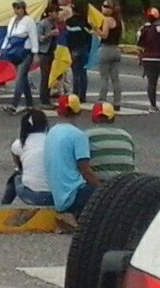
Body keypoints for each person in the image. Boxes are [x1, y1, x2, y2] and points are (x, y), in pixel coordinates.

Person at [44, 94, 101, 231]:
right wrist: (101, 189)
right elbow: (85, 170)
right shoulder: (78, 135)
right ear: (79, 112)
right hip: (73, 193)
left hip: (57, 195)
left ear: (58, 111)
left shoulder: (51, 132)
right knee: (105, 197)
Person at [1, 109, 54, 207]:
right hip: (54, 196)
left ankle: (4, 204)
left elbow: (19, 166)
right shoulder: (52, 140)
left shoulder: (19, 144)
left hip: (32, 195)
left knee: (16, 176)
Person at [1, 0, 41, 114]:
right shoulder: (12, 20)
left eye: (19, 8)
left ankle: (14, 104)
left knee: (19, 77)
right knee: (23, 78)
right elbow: (8, 36)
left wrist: (35, 53)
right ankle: (30, 103)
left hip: (26, 52)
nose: (17, 10)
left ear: (24, 9)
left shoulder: (29, 21)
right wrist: (3, 48)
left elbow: (33, 37)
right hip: (14, 52)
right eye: (15, 8)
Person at [137, 8, 160, 113]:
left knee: (151, 82)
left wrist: (140, 58)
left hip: (147, 57)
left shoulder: (143, 28)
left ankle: (152, 106)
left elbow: (139, 45)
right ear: (158, 17)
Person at [86, 102, 135, 182]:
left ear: (93, 118)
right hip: (126, 184)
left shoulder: (87, 135)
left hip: (101, 184)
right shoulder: (126, 136)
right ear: (113, 118)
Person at [63, 4, 93, 102]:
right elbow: (90, 37)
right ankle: (83, 95)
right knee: (83, 73)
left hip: (74, 49)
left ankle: (76, 94)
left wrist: (69, 50)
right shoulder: (86, 22)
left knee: (75, 72)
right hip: (84, 48)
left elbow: (68, 37)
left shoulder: (69, 22)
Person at [35, 5, 60, 108]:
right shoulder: (43, 23)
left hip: (52, 51)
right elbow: (39, 38)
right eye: (55, 12)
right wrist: (50, 34)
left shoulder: (55, 23)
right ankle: (44, 100)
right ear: (49, 13)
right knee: (45, 77)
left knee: (50, 76)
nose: (57, 15)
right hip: (44, 53)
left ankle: (47, 98)